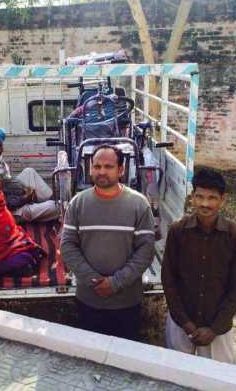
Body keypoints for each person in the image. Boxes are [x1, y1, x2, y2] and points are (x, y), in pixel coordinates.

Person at [60, 144, 155, 340]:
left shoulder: (139, 204)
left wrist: (115, 283)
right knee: (90, 358)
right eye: (96, 166)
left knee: (125, 360)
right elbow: (68, 246)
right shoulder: (78, 203)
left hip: (127, 303)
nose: (101, 171)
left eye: (108, 166)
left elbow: (145, 251)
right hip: (88, 301)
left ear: (121, 170)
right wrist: (95, 281)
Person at [161, 169, 236, 363]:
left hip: (218, 326)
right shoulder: (178, 231)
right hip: (181, 322)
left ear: (222, 199)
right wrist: (185, 322)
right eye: (199, 196)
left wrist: (214, 329)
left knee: (216, 378)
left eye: (212, 198)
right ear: (192, 198)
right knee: (177, 372)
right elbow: (169, 279)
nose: (205, 203)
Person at [0, 127, 58, 223]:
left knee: (29, 172)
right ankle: (49, 204)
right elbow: (2, 201)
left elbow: (8, 181)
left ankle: (48, 199)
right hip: (8, 211)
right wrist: (25, 198)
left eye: (0, 146)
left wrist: (23, 189)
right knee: (56, 208)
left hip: (14, 195)